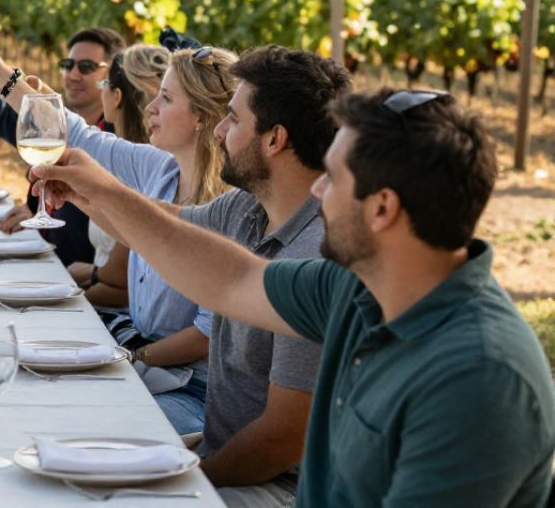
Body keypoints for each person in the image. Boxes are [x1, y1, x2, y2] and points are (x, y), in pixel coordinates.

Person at [34, 88, 555, 507]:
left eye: (333, 178)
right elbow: (230, 280)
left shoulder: (478, 379)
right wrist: (99, 192)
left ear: (383, 209)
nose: (317, 191)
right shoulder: (357, 286)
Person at [0, 39, 235, 436]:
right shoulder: (161, 169)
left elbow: (205, 338)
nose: (151, 108)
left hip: (193, 392)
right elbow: (75, 134)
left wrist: (125, 358)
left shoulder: (231, 209)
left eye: (165, 98)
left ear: (200, 116)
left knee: (75, 422)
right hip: (146, 362)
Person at [0, 26, 124, 265]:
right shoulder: (54, 125)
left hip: (77, 276)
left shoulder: (115, 140)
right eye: (68, 65)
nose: (73, 74)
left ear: (111, 78)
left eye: (86, 67)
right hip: (47, 261)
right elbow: (3, 117)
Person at [70, 43, 171, 310]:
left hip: (123, 319)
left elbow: (123, 284)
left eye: (104, 85)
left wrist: (67, 299)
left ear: (115, 97)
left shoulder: (147, 169)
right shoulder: (122, 156)